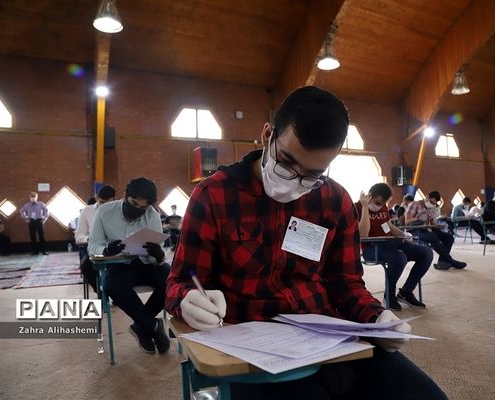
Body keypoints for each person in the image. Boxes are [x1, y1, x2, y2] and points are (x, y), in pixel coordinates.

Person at [166, 86, 447, 400]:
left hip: (328, 338)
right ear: (267, 135)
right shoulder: (214, 195)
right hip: (251, 347)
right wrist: (187, 299)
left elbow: (346, 283)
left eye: (312, 174)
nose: (294, 183)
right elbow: (179, 281)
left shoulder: (333, 199)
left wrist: (377, 317)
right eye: (286, 163)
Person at [88, 177, 171, 353]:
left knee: (171, 278)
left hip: (145, 263)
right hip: (118, 264)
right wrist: (106, 250)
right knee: (111, 285)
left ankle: (143, 326)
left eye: (143, 208)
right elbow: (93, 245)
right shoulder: (105, 212)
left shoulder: (152, 215)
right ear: (125, 196)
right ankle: (152, 325)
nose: (138, 210)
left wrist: (158, 254)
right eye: (134, 203)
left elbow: (157, 251)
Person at [357, 183, 433, 310]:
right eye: (377, 202)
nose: (379, 206)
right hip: (371, 248)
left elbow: (389, 227)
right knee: (399, 258)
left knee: (426, 253)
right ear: (369, 195)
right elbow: (363, 234)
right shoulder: (357, 207)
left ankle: (406, 292)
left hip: (390, 243)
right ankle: (389, 295)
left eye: (383, 204)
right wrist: (365, 207)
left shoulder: (382, 208)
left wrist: (403, 234)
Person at [406, 191, 467, 270]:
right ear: (427, 197)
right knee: (432, 237)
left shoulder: (431, 208)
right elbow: (407, 222)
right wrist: (418, 218)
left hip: (426, 229)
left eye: (434, 203)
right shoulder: (414, 204)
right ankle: (451, 261)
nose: (432, 204)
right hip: (414, 230)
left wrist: (438, 225)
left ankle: (442, 261)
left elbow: (432, 224)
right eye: (431, 202)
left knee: (449, 237)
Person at [75, 186, 115, 264]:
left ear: (114, 200)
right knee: (88, 264)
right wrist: (89, 239)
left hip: (111, 247)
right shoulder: (87, 211)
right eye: (102, 202)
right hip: (92, 246)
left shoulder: (117, 211)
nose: (104, 206)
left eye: (108, 203)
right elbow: (79, 237)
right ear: (96, 198)